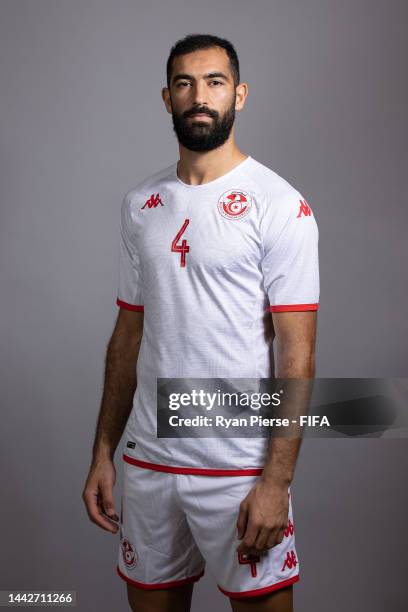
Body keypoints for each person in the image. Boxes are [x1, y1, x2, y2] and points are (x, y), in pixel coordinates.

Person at [82, 33, 319, 612]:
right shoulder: (142, 204)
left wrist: (277, 482)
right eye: (185, 84)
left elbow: (297, 356)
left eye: (214, 82)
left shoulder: (279, 204)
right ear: (167, 99)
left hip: (238, 467)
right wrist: (103, 453)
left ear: (238, 94)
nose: (199, 96)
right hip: (149, 460)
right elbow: (127, 339)